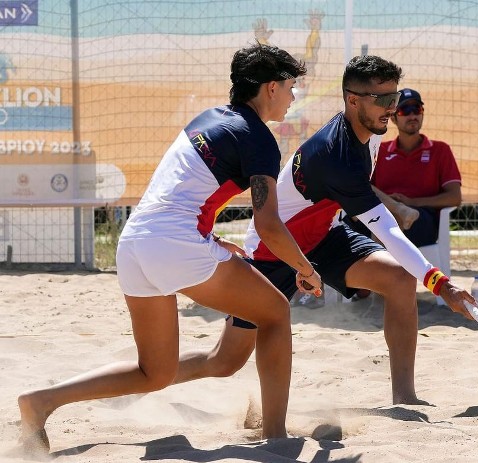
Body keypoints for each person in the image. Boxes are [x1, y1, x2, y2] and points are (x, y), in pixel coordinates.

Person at [17, 43, 322, 453]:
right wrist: (305, 267)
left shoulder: (207, 119)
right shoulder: (259, 139)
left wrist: (211, 240)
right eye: (290, 87)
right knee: (276, 313)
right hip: (174, 244)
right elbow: (267, 225)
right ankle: (276, 436)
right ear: (270, 87)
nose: (292, 97)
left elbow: (176, 194)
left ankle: (40, 402)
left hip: (137, 244)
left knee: (154, 372)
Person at [169, 55, 476, 406]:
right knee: (225, 360)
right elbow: (388, 231)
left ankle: (404, 398)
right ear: (353, 99)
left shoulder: (371, 129)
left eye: (395, 98)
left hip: (325, 234)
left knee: (399, 279)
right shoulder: (337, 156)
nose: (392, 109)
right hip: (276, 246)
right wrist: (441, 283)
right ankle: (154, 377)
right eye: (384, 100)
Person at [343, 87, 462, 299]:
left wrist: (412, 202)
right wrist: (394, 205)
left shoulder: (439, 150)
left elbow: (454, 198)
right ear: (394, 119)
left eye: (417, 108)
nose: (412, 114)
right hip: (382, 216)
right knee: (351, 210)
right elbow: (363, 188)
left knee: (388, 220)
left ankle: (365, 282)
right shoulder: (381, 151)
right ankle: (354, 283)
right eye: (404, 110)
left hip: (421, 219)